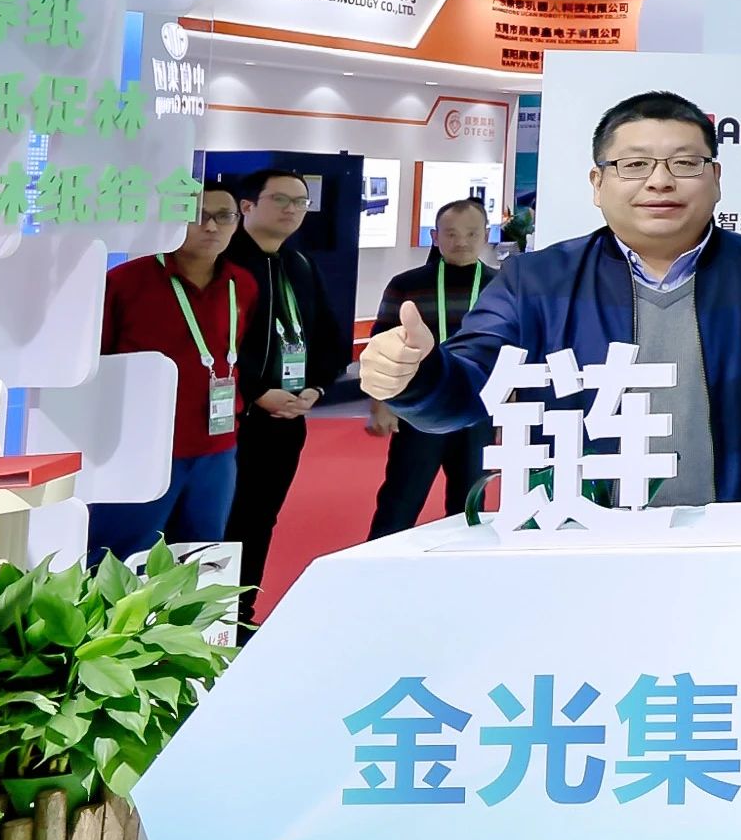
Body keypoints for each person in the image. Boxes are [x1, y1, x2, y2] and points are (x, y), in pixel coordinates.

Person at [359, 91, 741, 506]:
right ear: (598, 184)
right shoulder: (536, 281)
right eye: (634, 165)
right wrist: (417, 375)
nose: (660, 181)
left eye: (684, 163)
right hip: (580, 531)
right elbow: (471, 383)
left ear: (715, 178)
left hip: (737, 532)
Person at [85, 180, 254, 560]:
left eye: (223, 216)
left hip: (216, 446)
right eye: (197, 216)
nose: (211, 226)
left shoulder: (240, 284)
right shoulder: (126, 282)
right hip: (142, 445)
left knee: (203, 553)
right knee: (121, 557)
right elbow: (98, 362)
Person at [221, 166, 348, 602]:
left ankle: (241, 611)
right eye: (280, 199)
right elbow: (218, 343)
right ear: (247, 205)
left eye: (300, 202)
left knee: (260, 517)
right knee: (223, 518)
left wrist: (315, 389)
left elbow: (329, 338)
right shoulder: (225, 263)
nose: (292, 210)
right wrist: (256, 391)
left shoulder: (300, 265)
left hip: (288, 417)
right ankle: (205, 618)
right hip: (233, 417)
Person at [364, 197, 496, 535]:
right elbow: (381, 345)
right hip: (419, 408)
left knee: (470, 503)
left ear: (486, 235)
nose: (461, 241)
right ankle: (380, 560)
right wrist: (381, 403)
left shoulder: (502, 286)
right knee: (401, 499)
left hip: (479, 409)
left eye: (471, 233)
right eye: (451, 234)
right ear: (435, 237)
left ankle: (465, 561)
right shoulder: (406, 284)